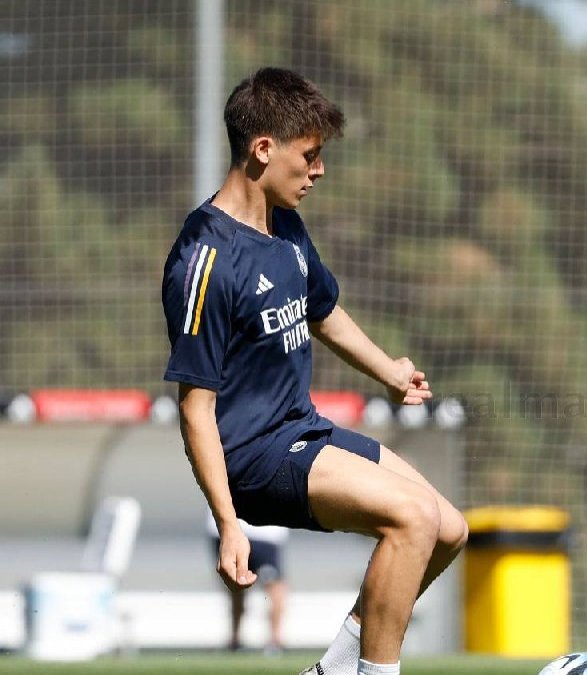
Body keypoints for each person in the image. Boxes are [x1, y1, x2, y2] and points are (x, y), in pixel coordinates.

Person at [162, 67, 468, 675]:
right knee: (413, 517)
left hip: (301, 430)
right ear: (263, 148)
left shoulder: (285, 226)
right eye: (310, 155)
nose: (319, 170)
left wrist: (388, 371)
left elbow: (321, 311)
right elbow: (195, 409)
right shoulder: (204, 259)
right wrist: (228, 524)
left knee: (448, 529)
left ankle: (333, 669)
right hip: (252, 458)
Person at [204, 513, 290, 655]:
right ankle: (235, 639)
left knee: (273, 584)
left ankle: (275, 641)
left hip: (265, 532)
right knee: (234, 583)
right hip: (228, 528)